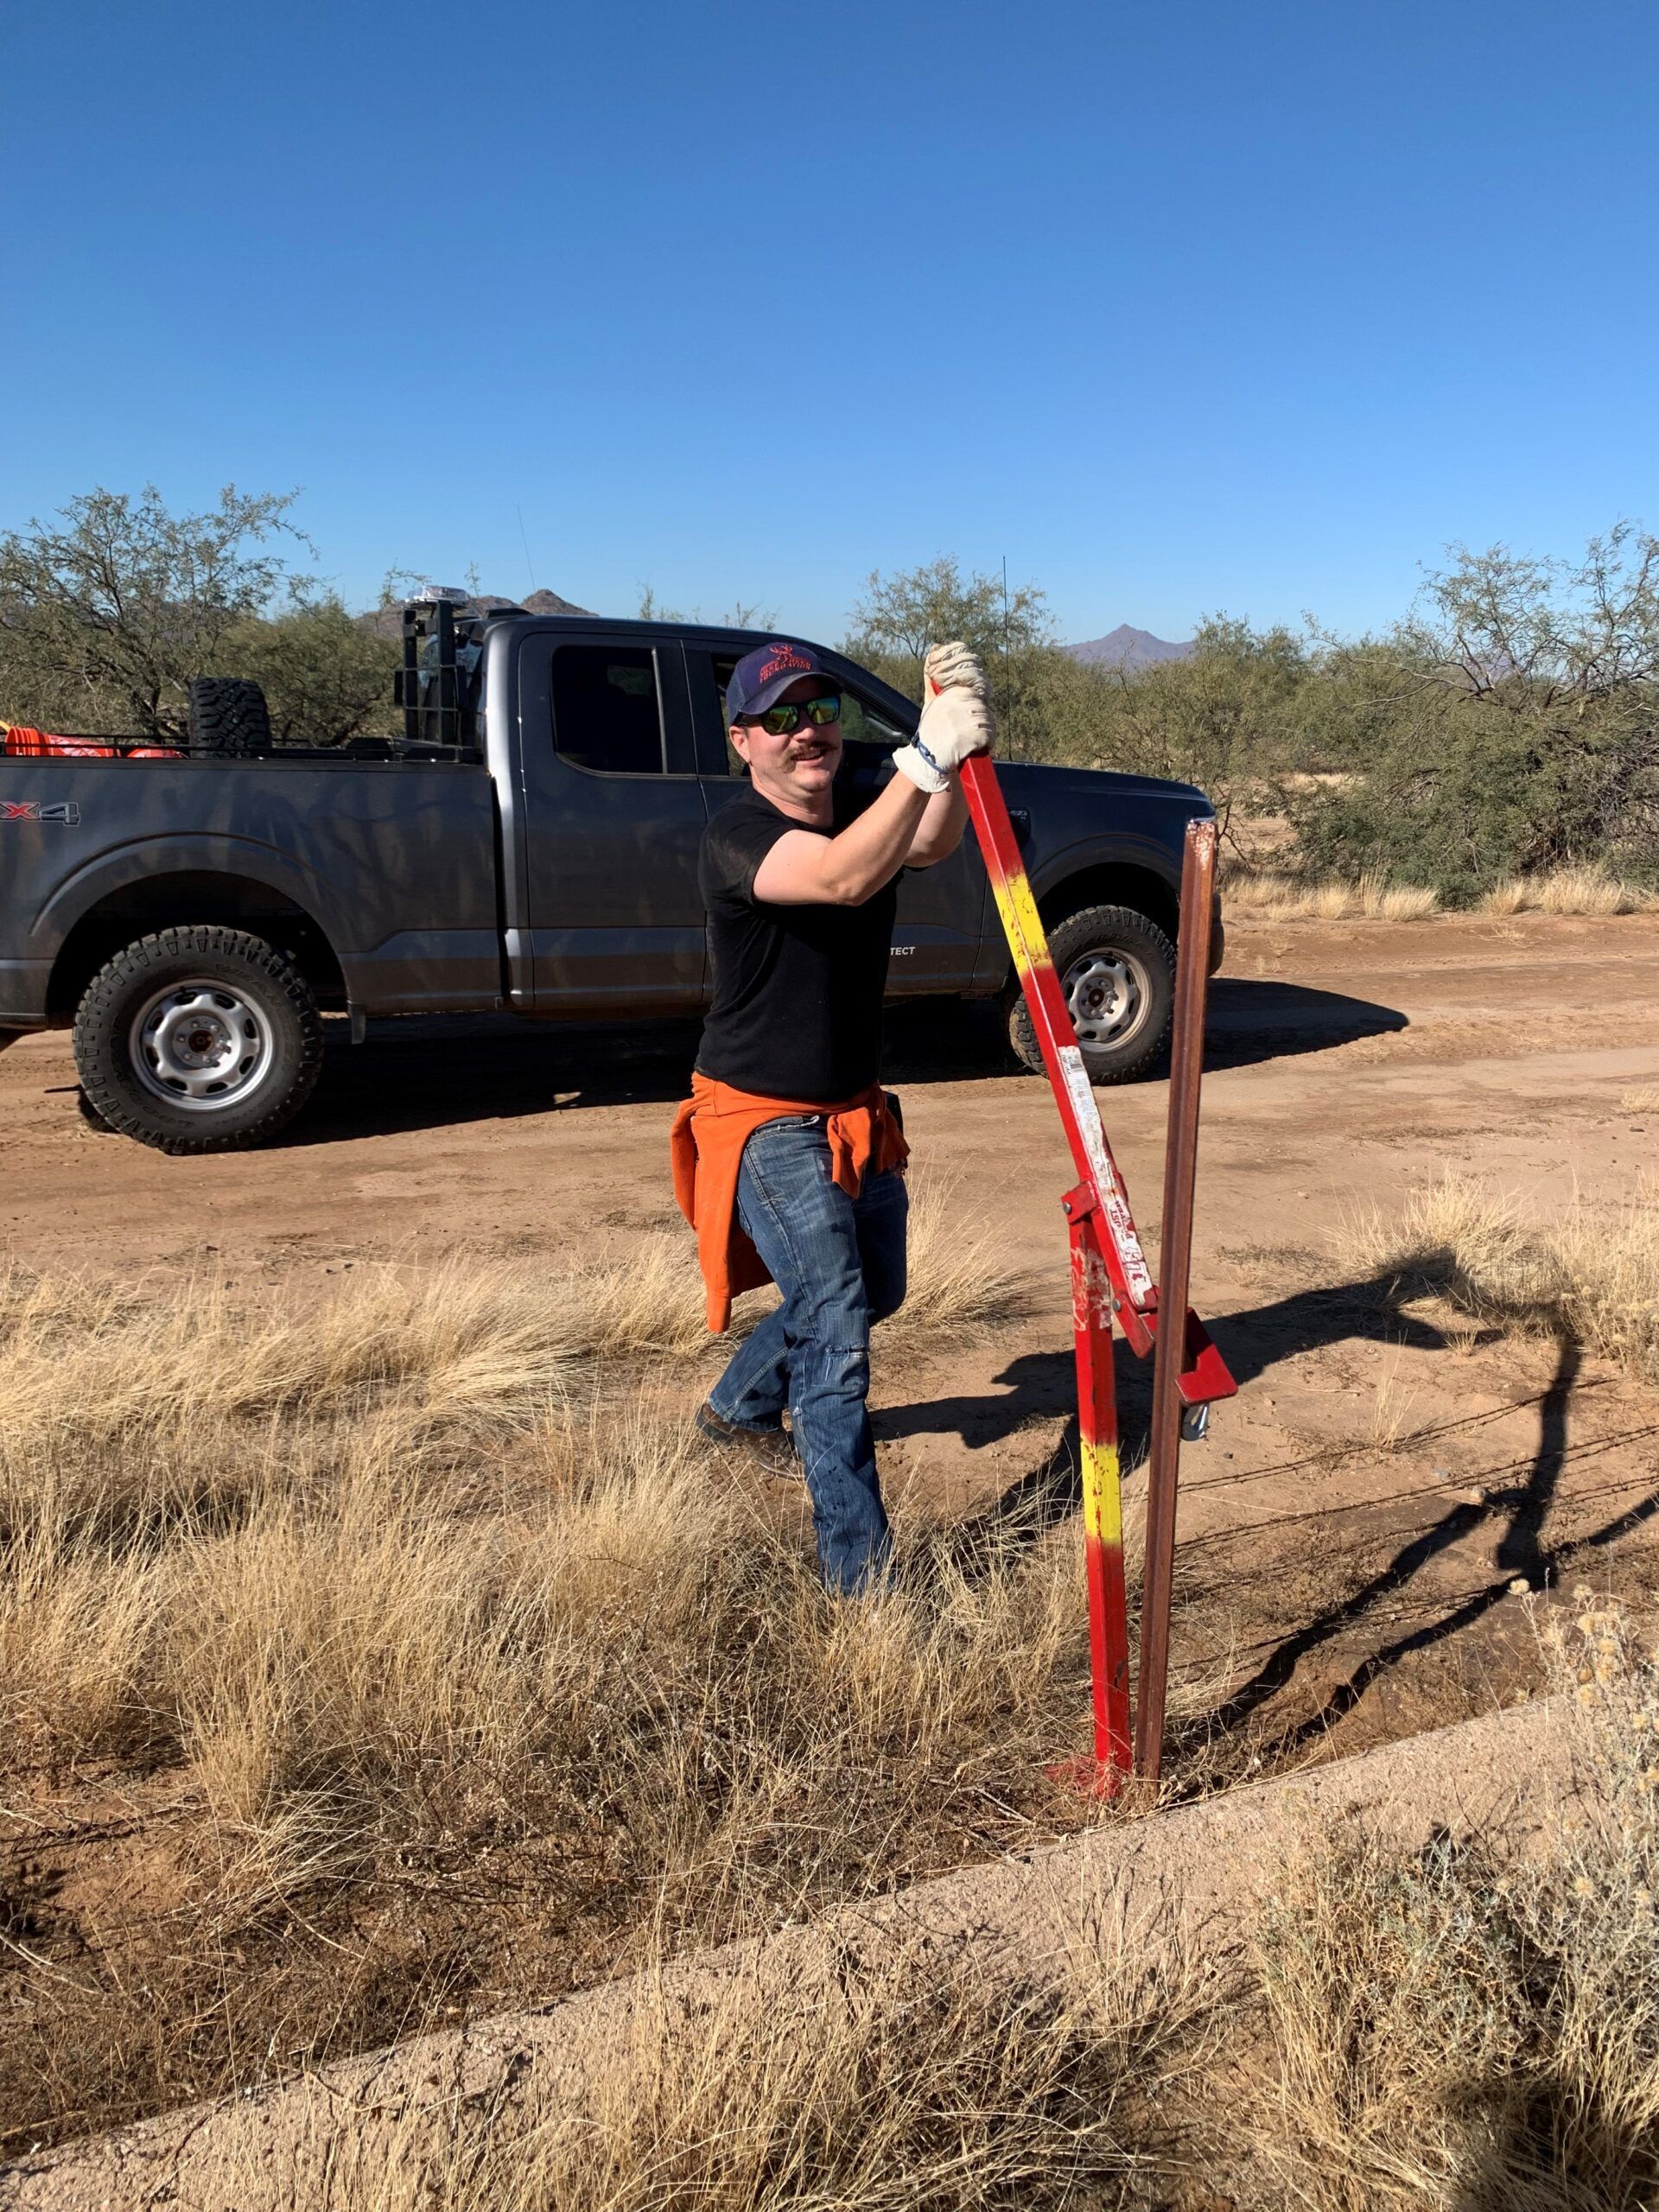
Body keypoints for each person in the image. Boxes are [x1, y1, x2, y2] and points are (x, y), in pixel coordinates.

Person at [669, 638, 994, 1592]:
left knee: (871, 1291)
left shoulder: (859, 805)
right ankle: (863, 1580)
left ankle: (736, 1406)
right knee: (839, 1326)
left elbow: (927, 839)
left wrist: (961, 729)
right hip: (766, 1117)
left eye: (821, 712)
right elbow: (846, 876)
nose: (807, 732)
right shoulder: (737, 837)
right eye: (781, 718)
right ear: (743, 742)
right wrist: (924, 758)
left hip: (852, 1108)